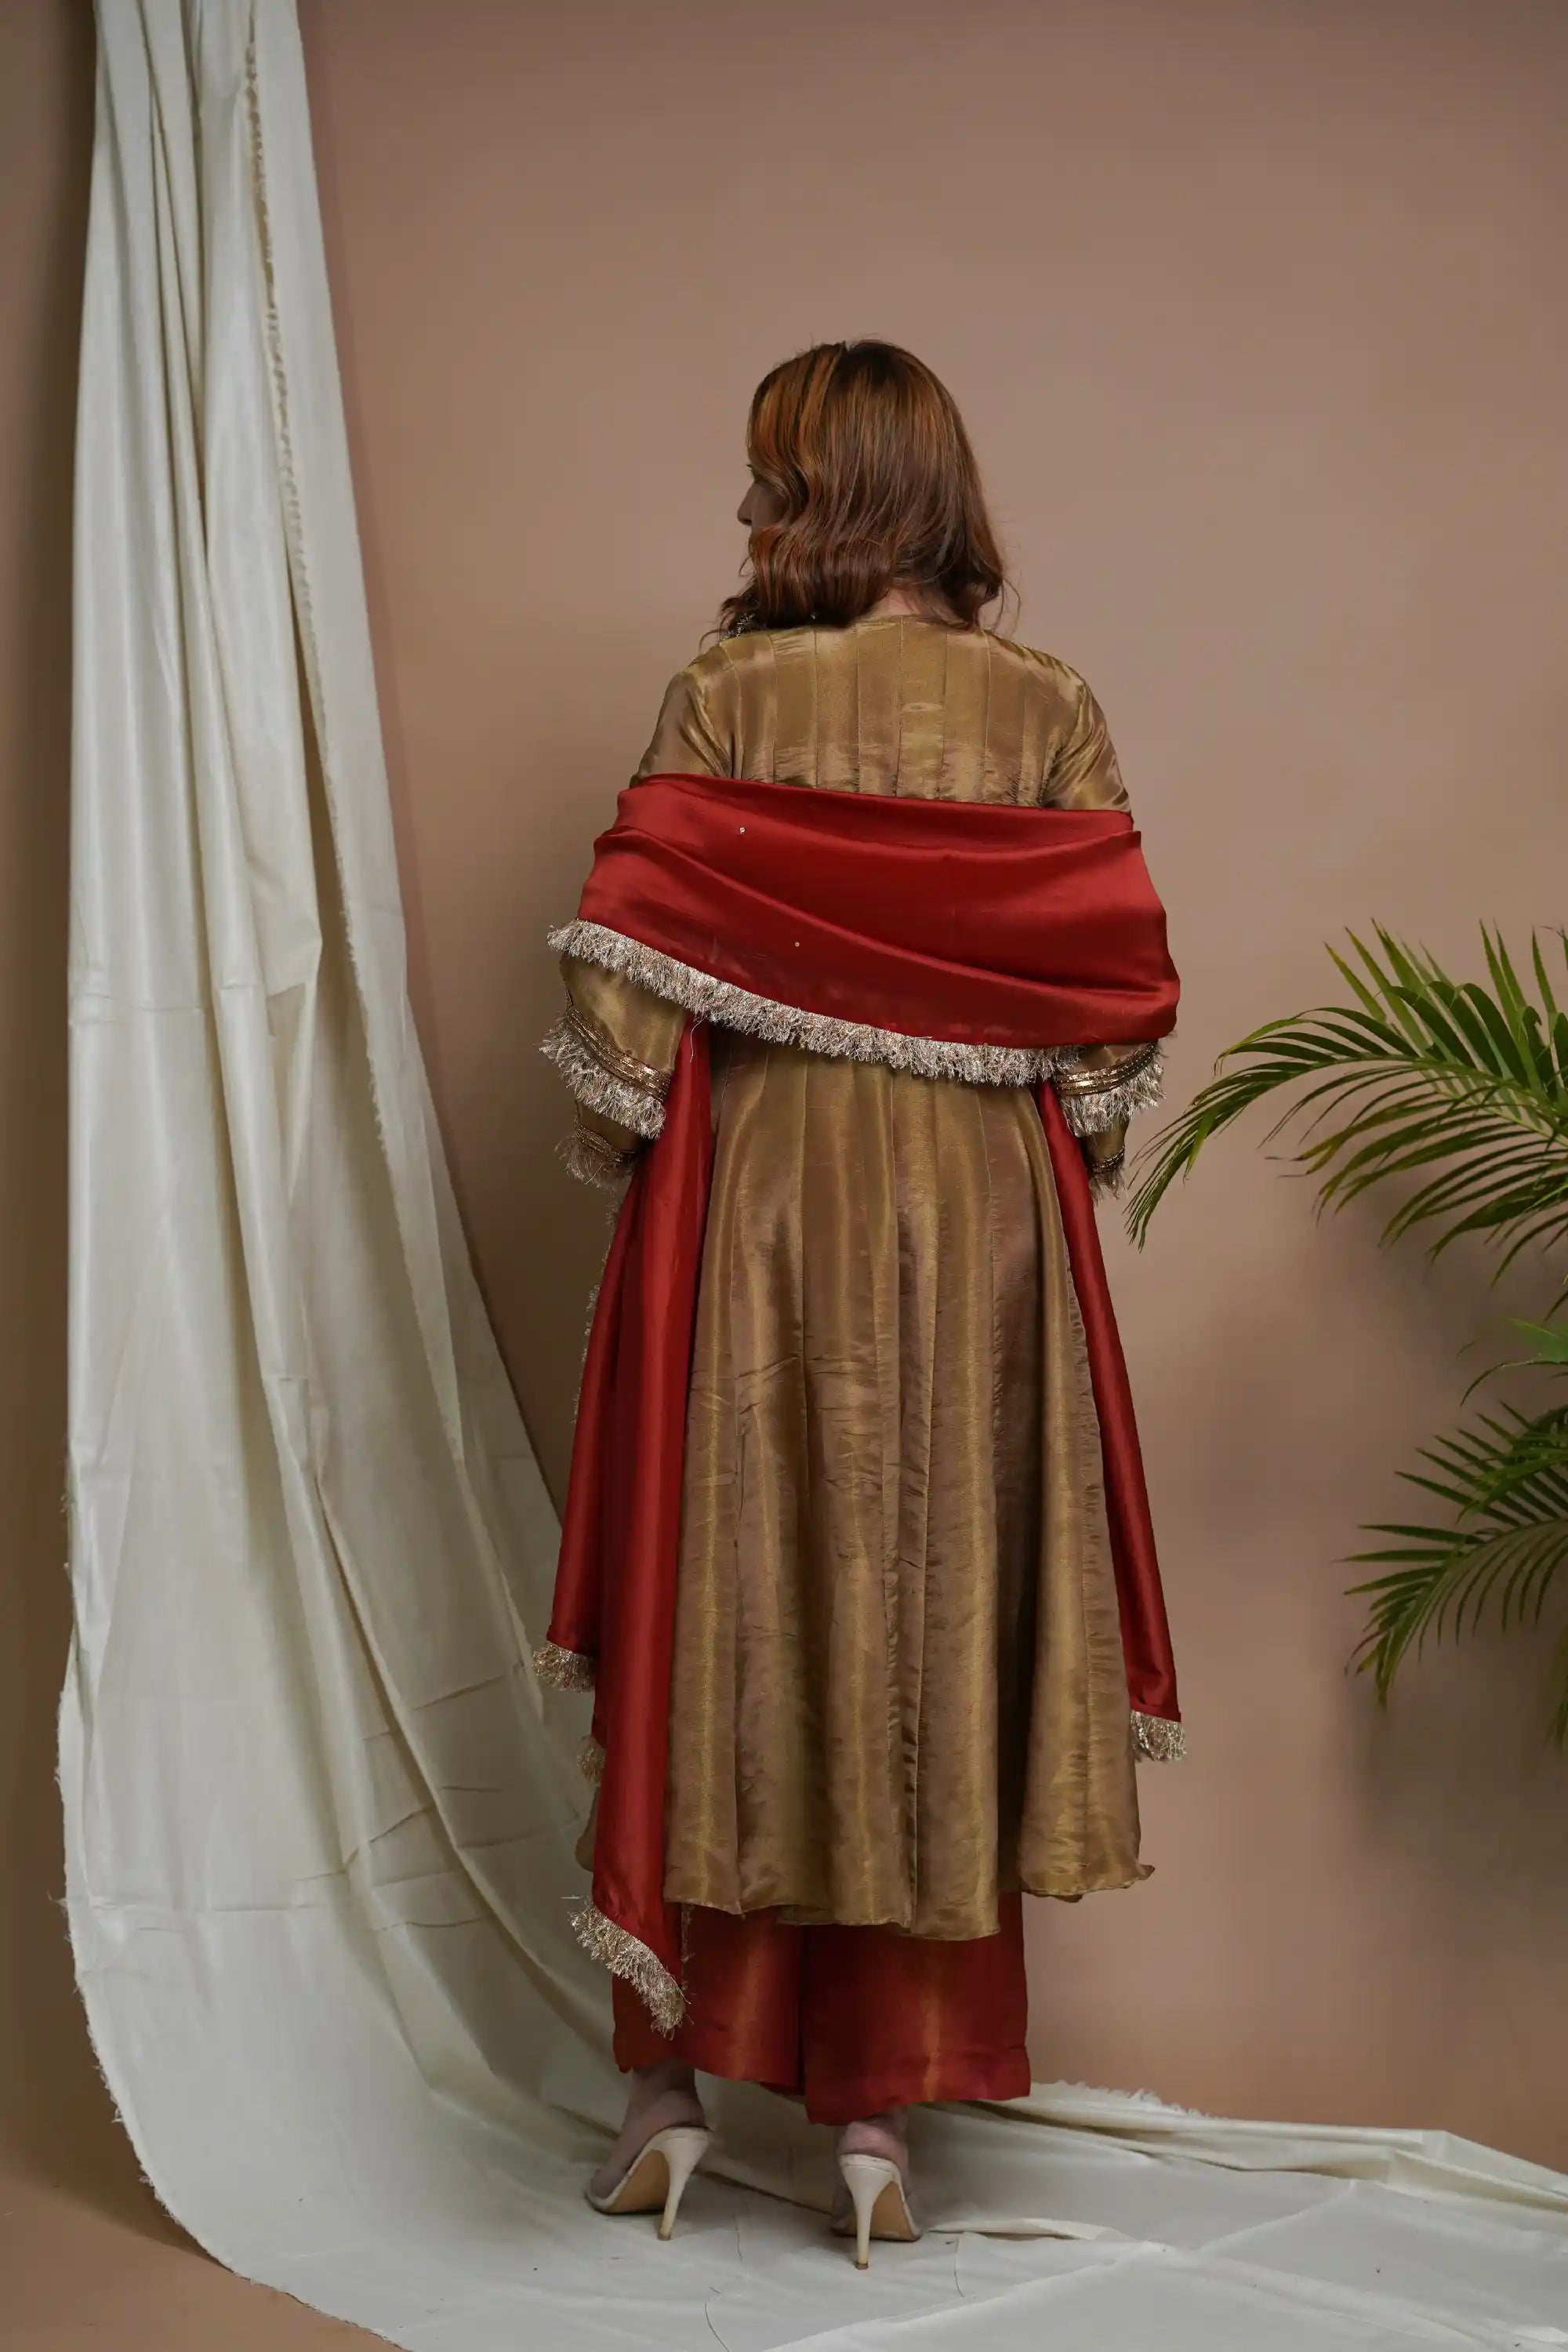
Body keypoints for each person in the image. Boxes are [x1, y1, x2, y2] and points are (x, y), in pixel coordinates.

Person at [535, 340, 1181, 2267]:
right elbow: (1112, 1011)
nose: (744, 511)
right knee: (927, 1617)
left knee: (733, 1605)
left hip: (762, 1208)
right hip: (980, 1225)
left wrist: (634, 1110)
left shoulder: (728, 698)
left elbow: (617, 1005)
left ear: (823, 496)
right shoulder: (1046, 707)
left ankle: (666, 2097)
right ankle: (878, 2128)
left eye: (769, 477)